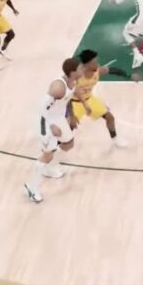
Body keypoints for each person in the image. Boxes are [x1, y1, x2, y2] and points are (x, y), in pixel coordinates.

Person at [24, 57, 84, 204]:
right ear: (72, 72)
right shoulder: (58, 87)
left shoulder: (73, 82)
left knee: (68, 144)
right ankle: (31, 187)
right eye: (80, 68)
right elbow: (41, 107)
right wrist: (51, 126)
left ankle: (48, 166)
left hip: (58, 118)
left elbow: (67, 100)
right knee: (47, 155)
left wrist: (71, 115)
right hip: (46, 121)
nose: (83, 70)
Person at [69, 49, 136, 149]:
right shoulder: (77, 76)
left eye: (97, 61)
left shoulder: (98, 70)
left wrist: (129, 76)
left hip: (89, 99)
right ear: (86, 65)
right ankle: (56, 143)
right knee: (69, 126)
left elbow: (114, 70)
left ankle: (115, 138)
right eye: (94, 62)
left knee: (110, 117)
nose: (97, 64)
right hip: (75, 103)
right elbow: (71, 93)